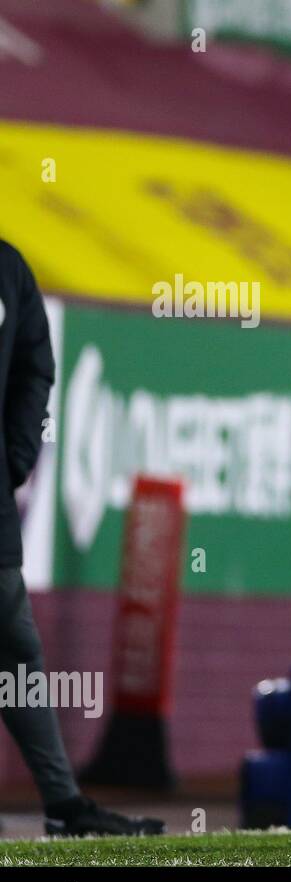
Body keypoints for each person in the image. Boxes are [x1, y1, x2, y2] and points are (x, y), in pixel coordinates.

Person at [0, 239, 164, 837]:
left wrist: (12, 462)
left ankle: (65, 804)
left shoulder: (9, 269)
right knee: (15, 654)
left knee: (16, 654)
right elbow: (34, 370)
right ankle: (64, 804)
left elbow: (33, 370)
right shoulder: (9, 267)